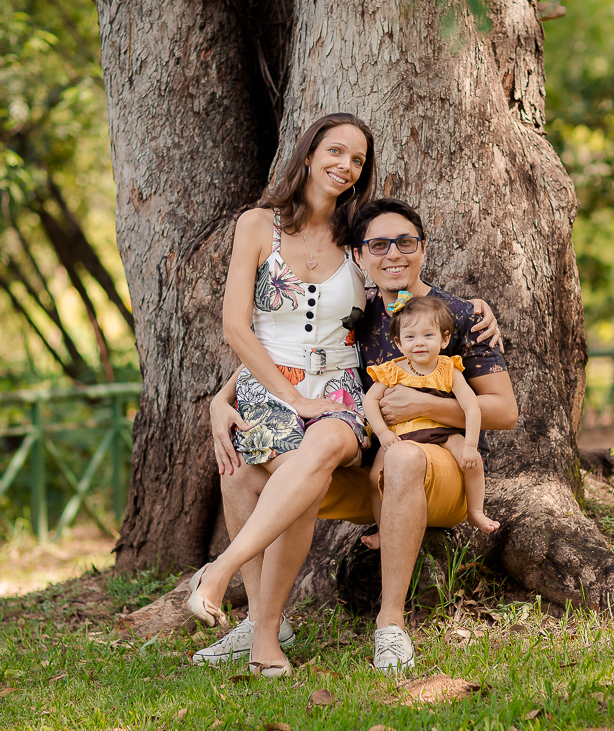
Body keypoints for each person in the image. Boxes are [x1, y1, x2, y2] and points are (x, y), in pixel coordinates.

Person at [208, 199, 517, 674]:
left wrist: (427, 406)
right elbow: (294, 354)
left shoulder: (458, 315)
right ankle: (261, 622)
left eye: (405, 243)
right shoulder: (359, 311)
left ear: (423, 249)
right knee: (242, 470)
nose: (393, 254)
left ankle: (390, 626)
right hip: (371, 473)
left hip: (443, 471)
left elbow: (505, 410)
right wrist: (220, 399)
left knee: (403, 460)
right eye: (378, 244)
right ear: (359, 256)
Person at [183, 113, 376, 678]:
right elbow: (238, 330)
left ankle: (233, 594)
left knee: (302, 463)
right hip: (269, 387)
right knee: (241, 471)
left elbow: (408, 293)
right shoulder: (257, 226)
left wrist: (473, 313)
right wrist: (233, 396)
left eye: (357, 160)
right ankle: (265, 626)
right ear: (310, 153)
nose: (344, 166)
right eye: (335, 151)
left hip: (340, 390)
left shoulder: (360, 237)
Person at [362, 294, 499, 553]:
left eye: (428, 335)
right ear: (398, 342)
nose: (419, 343)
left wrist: (470, 445)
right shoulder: (392, 370)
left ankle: (475, 510)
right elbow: (370, 402)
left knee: (474, 463)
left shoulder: (449, 370)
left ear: (444, 339)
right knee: (373, 479)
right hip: (400, 436)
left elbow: (471, 407)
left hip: (443, 433)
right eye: (410, 337)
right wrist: (381, 433)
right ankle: (383, 529)